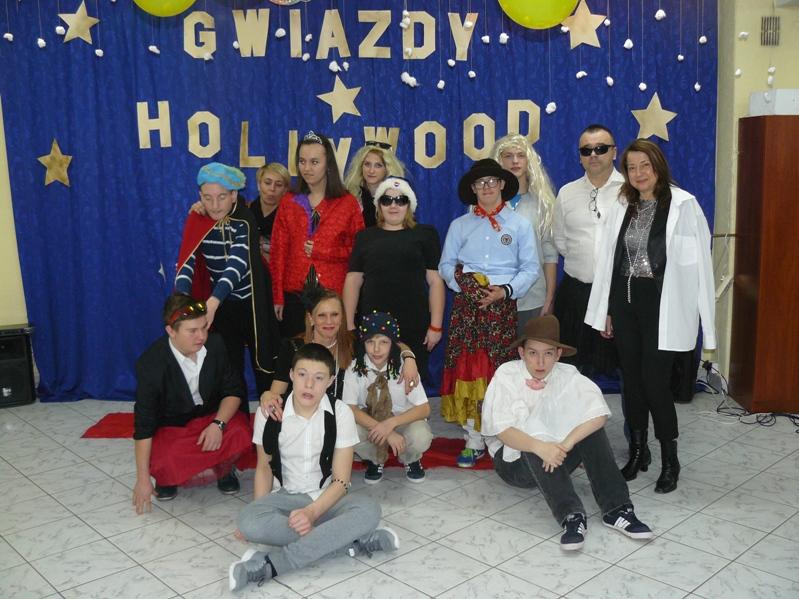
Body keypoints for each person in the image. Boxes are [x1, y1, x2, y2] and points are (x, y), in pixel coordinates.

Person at [585, 139, 716, 494]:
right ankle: (638, 451)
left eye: (645, 165)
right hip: (625, 303)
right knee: (631, 382)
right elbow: (608, 261)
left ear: (658, 166)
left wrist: (707, 324)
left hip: (662, 305)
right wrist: (606, 310)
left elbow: (701, 268)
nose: (639, 173)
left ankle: (670, 460)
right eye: (632, 167)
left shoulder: (684, 205)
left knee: (655, 382)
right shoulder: (622, 205)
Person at [231, 343, 399, 591]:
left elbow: (341, 481)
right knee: (249, 521)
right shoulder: (269, 413)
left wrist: (311, 513)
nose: (309, 385)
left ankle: (274, 564)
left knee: (369, 509)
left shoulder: (340, 412)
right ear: (291, 375)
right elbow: (264, 468)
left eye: (318, 378)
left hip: (326, 499)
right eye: (302, 375)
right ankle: (350, 542)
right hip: (284, 499)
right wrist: (258, 512)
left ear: (330, 381)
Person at [481, 315, 653, 550]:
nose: (540, 361)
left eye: (548, 353)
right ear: (521, 353)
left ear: (558, 354)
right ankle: (571, 516)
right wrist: (541, 447)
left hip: (557, 453)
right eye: (533, 353)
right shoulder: (506, 374)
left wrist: (567, 443)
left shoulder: (568, 374)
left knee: (590, 429)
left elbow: (599, 414)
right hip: (514, 463)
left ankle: (616, 509)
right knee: (536, 435)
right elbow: (503, 431)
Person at [439, 158, 540, 468]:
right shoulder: (460, 225)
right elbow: (445, 265)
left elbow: (530, 268)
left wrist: (504, 291)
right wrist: (465, 285)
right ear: (473, 188)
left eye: (492, 181)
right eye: (480, 183)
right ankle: (473, 437)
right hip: (467, 306)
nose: (486, 187)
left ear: (502, 185)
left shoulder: (519, 225)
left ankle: (498, 434)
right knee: (469, 368)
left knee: (498, 368)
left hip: (501, 306)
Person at [132, 294, 251, 511]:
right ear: (171, 331)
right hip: (174, 427)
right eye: (192, 331)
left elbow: (233, 391)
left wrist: (218, 424)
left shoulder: (216, 344)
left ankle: (224, 469)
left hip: (211, 417)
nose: (201, 336)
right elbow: (144, 425)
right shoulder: (151, 364)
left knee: (240, 431)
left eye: (204, 328)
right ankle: (166, 478)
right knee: (165, 457)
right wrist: (142, 479)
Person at [259, 272, 420, 421]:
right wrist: (267, 395)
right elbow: (276, 392)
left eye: (334, 315)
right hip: (303, 416)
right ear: (311, 318)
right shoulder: (292, 347)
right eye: (322, 315)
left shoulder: (353, 342)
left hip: (341, 419)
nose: (329, 322)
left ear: (342, 317)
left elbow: (394, 343)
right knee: (263, 413)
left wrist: (409, 358)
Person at [175, 162, 278, 394]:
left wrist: (213, 302)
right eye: (208, 198)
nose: (214, 205)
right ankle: (235, 413)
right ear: (200, 196)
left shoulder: (245, 219)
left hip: (251, 302)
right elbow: (187, 260)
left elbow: (237, 264)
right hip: (222, 304)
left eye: (221, 197)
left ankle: (269, 411)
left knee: (263, 359)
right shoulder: (198, 218)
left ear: (233, 195)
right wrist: (181, 298)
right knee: (229, 364)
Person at [343, 176, 445, 381]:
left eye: (401, 200)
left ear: (410, 205)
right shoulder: (365, 237)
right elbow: (353, 280)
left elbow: (435, 282)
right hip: (372, 322)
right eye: (387, 200)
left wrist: (436, 326)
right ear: (379, 205)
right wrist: (349, 325)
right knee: (372, 382)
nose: (393, 205)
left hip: (414, 322)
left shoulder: (425, 234)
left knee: (411, 383)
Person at [270, 132, 365, 337]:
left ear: (328, 164)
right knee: (296, 350)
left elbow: (359, 252)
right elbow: (278, 252)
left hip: (333, 297)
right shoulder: (289, 201)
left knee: (333, 352)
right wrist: (277, 296)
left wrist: (326, 251)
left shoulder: (347, 203)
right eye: (302, 161)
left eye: (314, 162)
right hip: (295, 295)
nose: (307, 168)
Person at [552, 124, 624, 375]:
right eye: (586, 150)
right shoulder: (567, 193)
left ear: (614, 152)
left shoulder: (631, 191)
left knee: (623, 368)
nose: (593, 155)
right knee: (571, 368)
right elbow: (560, 240)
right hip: (576, 294)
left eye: (601, 148)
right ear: (580, 157)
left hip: (619, 295)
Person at [342, 312, 433, 484]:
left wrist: (391, 424)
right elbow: (350, 409)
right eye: (370, 342)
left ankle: (410, 458)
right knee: (349, 430)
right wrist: (384, 430)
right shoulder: (355, 368)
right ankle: (374, 459)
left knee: (421, 435)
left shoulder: (405, 368)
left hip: (400, 420)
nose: (376, 349)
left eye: (383, 342)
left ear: (393, 343)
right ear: (363, 343)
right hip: (370, 420)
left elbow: (424, 408)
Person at [491, 134, 559, 332]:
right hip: (495, 298)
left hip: (533, 298)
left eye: (521, 155)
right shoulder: (486, 203)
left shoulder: (542, 204)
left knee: (531, 350)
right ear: (498, 161)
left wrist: (549, 298)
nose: (515, 161)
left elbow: (549, 254)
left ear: (529, 161)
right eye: (508, 156)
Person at [343, 141, 406, 228]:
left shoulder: (398, 199)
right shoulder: (351, 197)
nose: (371, 171)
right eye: (367, 164)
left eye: (378, 165)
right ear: (360, 167)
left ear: (387, 169)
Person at [250, 162, 290, 265]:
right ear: (259, 185)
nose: (272, 189)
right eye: (267, 183)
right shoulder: (246, 211)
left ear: (285, 190)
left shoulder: (290, 218)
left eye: (278, 185)